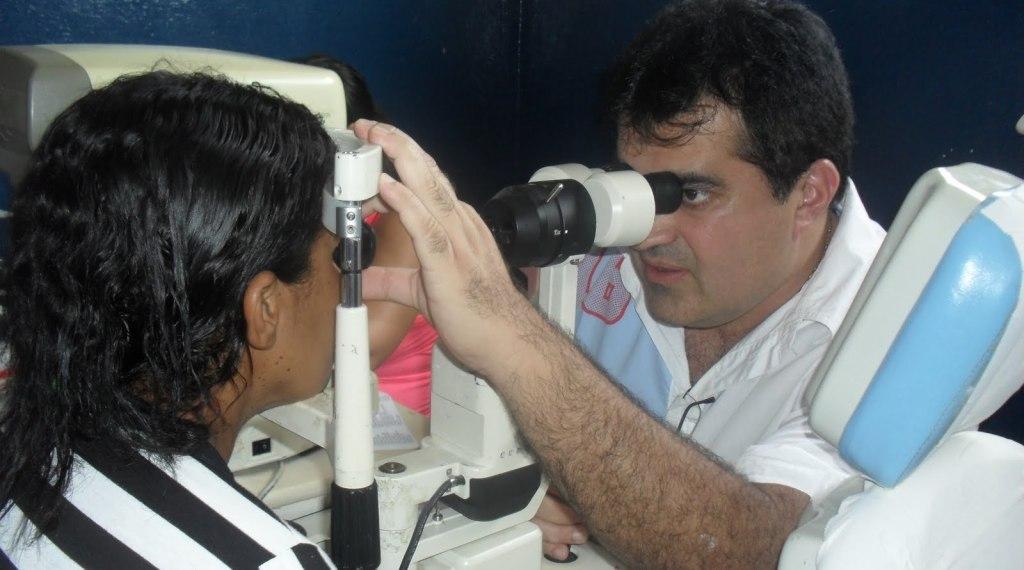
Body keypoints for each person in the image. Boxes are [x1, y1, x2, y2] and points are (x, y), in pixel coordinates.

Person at [354, 0, 885, 567]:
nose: (648, 233)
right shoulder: (600, 252)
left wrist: (515, 340)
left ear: (809, 195)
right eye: (636, 185)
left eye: (693, 194)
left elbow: (756, 553)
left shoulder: (891, 338)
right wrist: (514, 486)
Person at [0, 72, 338, 568]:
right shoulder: (273, 563)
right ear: (265, 308)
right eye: (336, 258)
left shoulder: (33, 447)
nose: (350, 285)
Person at [300, 54, 437, 416]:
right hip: (317, 408)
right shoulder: (307, 212)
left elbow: (362, 350)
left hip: (396, 421)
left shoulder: (400, 217)